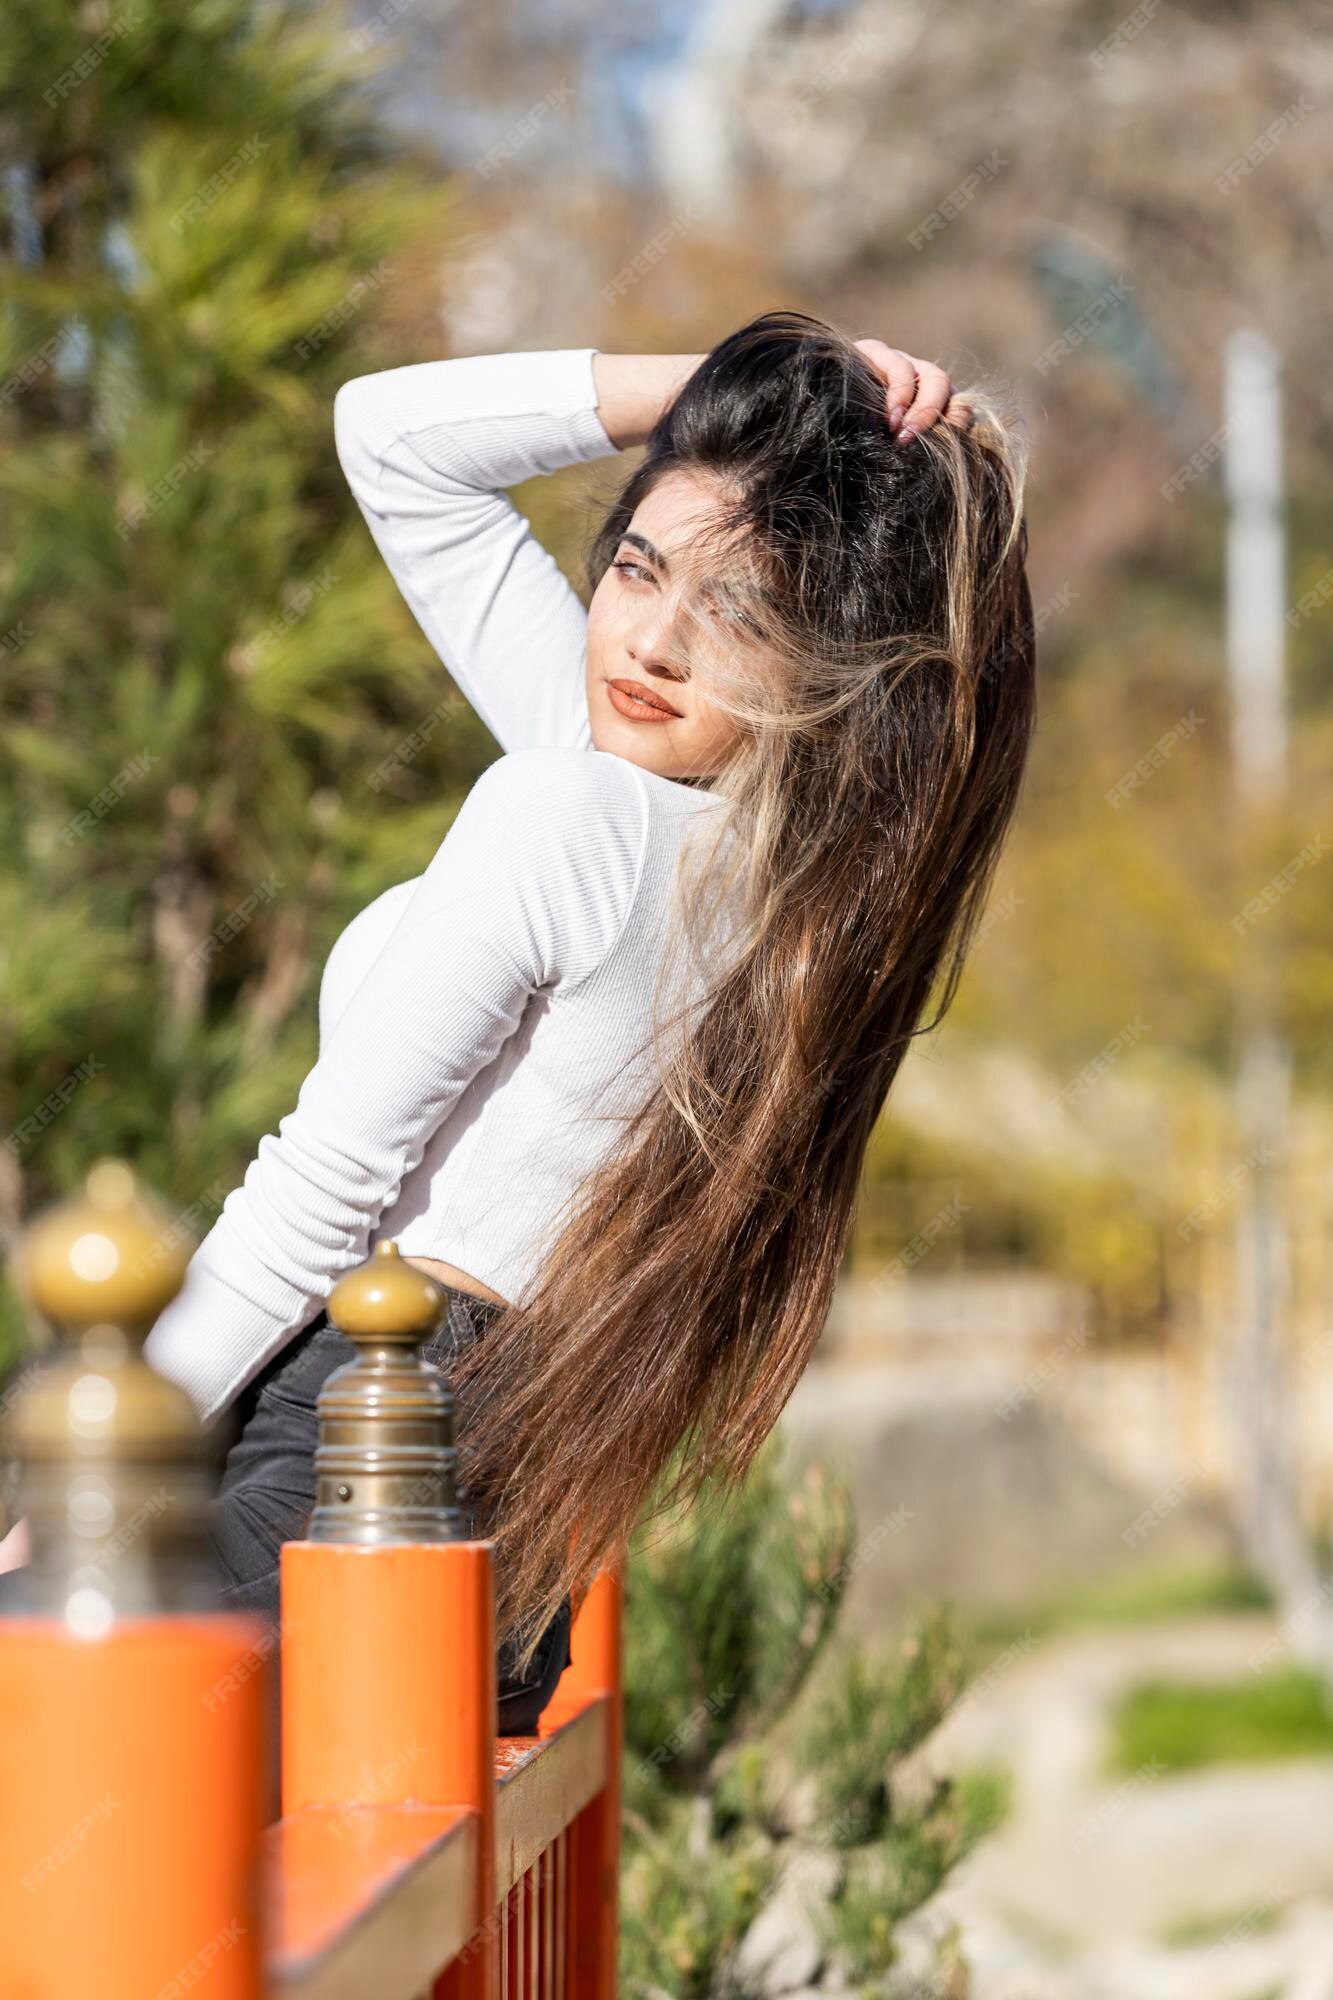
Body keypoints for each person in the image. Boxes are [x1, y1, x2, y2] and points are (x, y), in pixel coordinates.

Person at [2, 312, 1035, 1740]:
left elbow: (320, 1189)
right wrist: (749, 402)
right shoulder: (805, 897)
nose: (654, 641)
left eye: (741, 612)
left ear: (828, 665)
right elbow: (392, 448)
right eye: (634, 567)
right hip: (499, 1512)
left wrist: (85, 1485)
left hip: (359, 1444)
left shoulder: (578, 813)